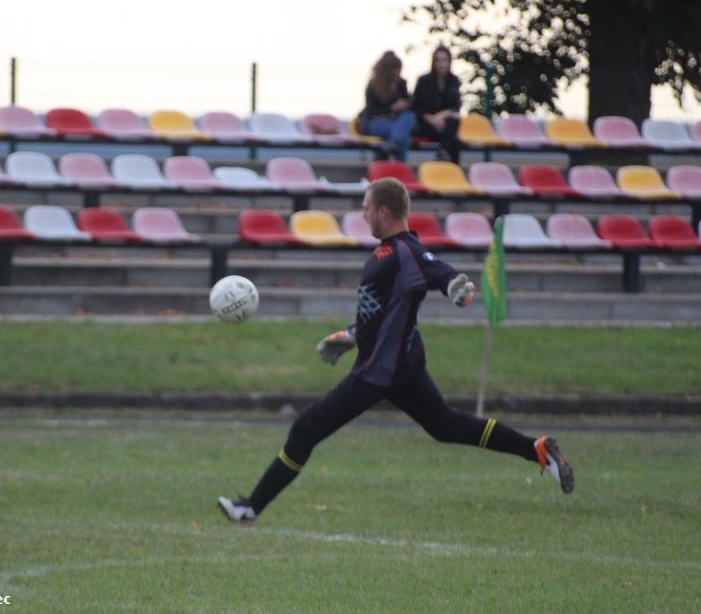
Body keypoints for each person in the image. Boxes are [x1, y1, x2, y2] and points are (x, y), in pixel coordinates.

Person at [217, 177, 573, 523]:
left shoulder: (405, 250)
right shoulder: (386, 252)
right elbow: (382, 311)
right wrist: (350, 336)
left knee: (305, 429)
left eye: (366, 208)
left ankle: (250, 507)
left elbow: (438, 270)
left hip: (380, 371)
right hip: (401, 364)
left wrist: (455, 287)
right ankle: (537, 450)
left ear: (384, 211)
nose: (363, 215)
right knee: (445, 426)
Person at [357, 51, 418, 162]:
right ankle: (399, 162)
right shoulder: (373, 86)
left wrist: (405, 104)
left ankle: (393, 145)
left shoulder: (401, 84)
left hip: (396, 121)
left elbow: (412, 104)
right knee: (401, 134)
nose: (398, 74)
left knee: (410, 116)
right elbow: (371, 112)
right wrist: (392, 109)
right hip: (376, 122)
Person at [412, 44, 462, 161]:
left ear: (449, 62)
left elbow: (456, 106)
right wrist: (431, 119)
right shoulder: (423, 81)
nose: (441, 63)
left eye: (444, 60)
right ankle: (443, 154)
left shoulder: (454, 81)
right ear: (433, 62)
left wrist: (440, 116)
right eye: (438, 60)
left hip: (444, 125)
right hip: (425, 124)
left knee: (454, 124)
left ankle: (444, 154)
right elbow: (415, 106)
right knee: (452, 138)